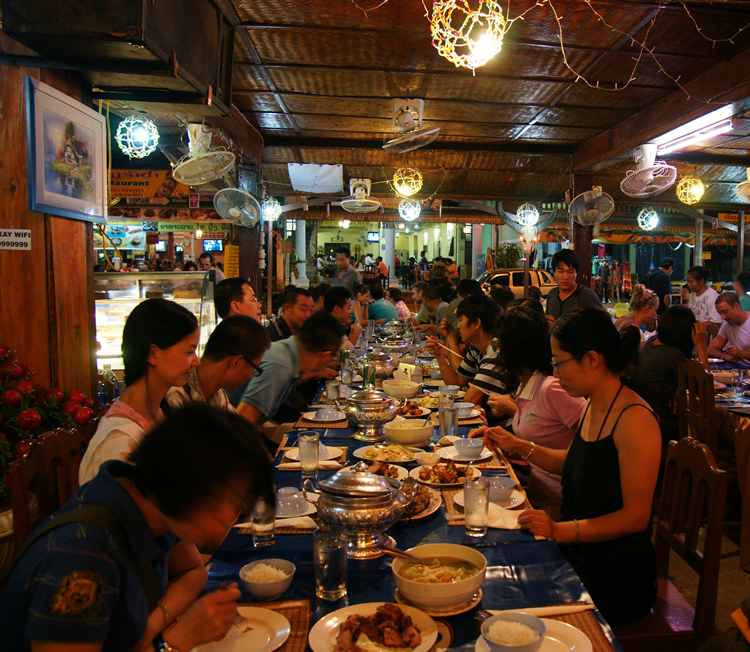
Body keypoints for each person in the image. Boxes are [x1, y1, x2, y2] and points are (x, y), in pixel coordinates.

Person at [1, 404, 273, 652]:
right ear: (186, 479)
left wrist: (151, 627)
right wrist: (177, 639)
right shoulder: (82, 558)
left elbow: (193, 571)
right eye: (226, 500)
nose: (230, 517)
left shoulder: (151, 502)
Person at [471, 307, 661, 627]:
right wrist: (519, 445)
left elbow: (636, 517)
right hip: (578, 552)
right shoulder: (593, 405)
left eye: (559, 363)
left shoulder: (635, 419)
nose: (555, 374)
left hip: (614, 575)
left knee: (505, 608)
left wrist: (558, 530)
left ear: (592, 359)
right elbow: (573, 463)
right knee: (489, 572)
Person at [479, 306, 586, 517]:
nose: (496, 348)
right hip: (535, 492)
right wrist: (501, 438)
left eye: (500, 342)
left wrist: (518, 445)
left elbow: (591, 443)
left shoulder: (551, 387)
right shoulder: (526, 384)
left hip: (558, 502)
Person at [80, 299, 200, 484]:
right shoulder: (119, 442)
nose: (196, 361)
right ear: (153, 354)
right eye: (189, 352)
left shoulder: (163, 408)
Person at [228, 311, 344, 429]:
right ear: (325, 355)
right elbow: (242, 423)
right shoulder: (280, 366)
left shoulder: (287, 353)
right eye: (334, 356)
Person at [629, 305, 709, 443]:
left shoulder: (652, 343)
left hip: (641, 417)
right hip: (658, 424)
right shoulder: (674, 355)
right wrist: (702, 345)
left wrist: (675, 390)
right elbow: (704, 388)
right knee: (707, 425)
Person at [165, 315, 271, 413]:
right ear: (236, 362)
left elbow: (236, 425)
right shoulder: (176, 398)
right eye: (254, 368)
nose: (251, 376)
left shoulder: (217, 395)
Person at [426, 295, 499, 400]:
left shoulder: (496, 350)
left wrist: (451, 339)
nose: (458, 326)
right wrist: (438, 355)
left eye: (460, 320)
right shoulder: (476, 347)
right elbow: (456, 382)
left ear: (477, 323)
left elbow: (470, 400)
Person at [545, 249, 605, 325]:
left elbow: (605, 322)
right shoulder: (552, 294)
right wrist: (546, 321)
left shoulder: (586, 295)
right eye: (560, 272)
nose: (566, 277)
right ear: (554, 272)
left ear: (576, 273)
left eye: (570, 272)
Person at [708, 291, 750, 361]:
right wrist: (725, 356)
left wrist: (742, 354)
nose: (723, 317)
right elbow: (710, 350)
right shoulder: (727, 324)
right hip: (734, 366)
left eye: (725, 312)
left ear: (736, 306)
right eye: (720, 313)